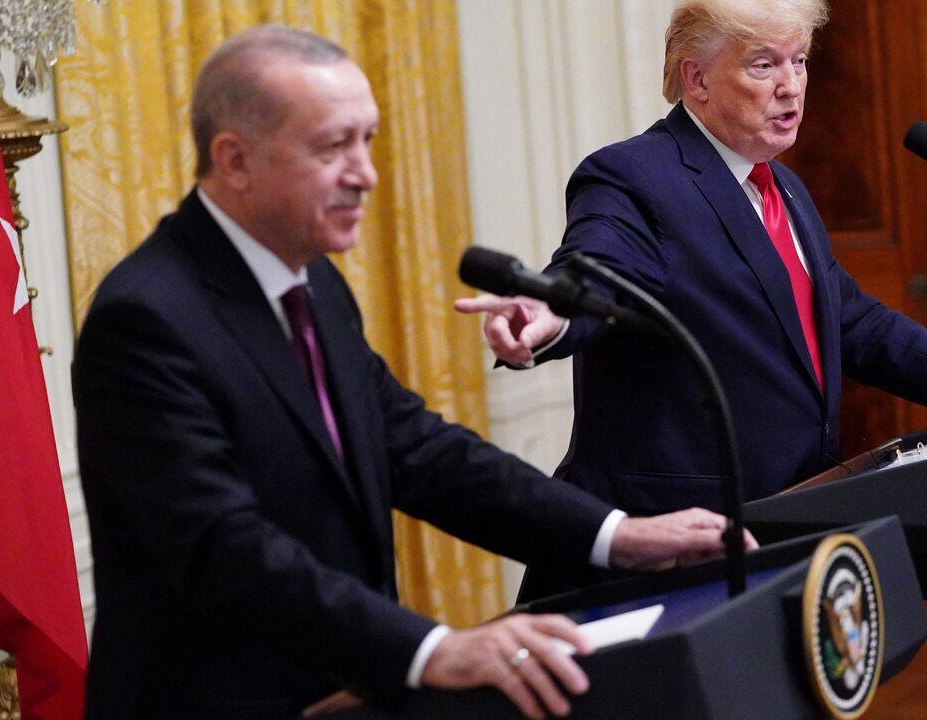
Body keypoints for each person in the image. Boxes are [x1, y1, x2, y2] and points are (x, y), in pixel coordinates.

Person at [72, 25, 747, 720]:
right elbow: (224, 549)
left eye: (367, 140)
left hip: (344, 691)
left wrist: (616, 536)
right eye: (335, 146)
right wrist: (432, 650)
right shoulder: (147, 320)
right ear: (235, 160)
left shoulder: (317, 285)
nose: (365, 172)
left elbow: (418, 452)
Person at [455, 0, 927, 599]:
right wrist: (550, 313)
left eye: (800, 60)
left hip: (791, 523)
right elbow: (600, 267)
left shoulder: (784, 188)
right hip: (675, 547)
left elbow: (853, 323)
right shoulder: (634, 176)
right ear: (696, 80)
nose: (791, 85)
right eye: (764, 64)